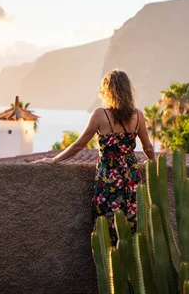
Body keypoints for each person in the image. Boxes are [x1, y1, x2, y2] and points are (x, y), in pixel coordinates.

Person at [32, 69, 155, 244]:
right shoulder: (138, 116)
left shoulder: (100, 115)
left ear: (108, 90)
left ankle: (110, 266)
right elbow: (148, 148)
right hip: (131, 179)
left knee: (107, 230)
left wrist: (53, 160)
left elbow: (79, 144)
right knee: (131, 227)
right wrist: (155, 164)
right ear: (128, 90)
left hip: (108, 181)